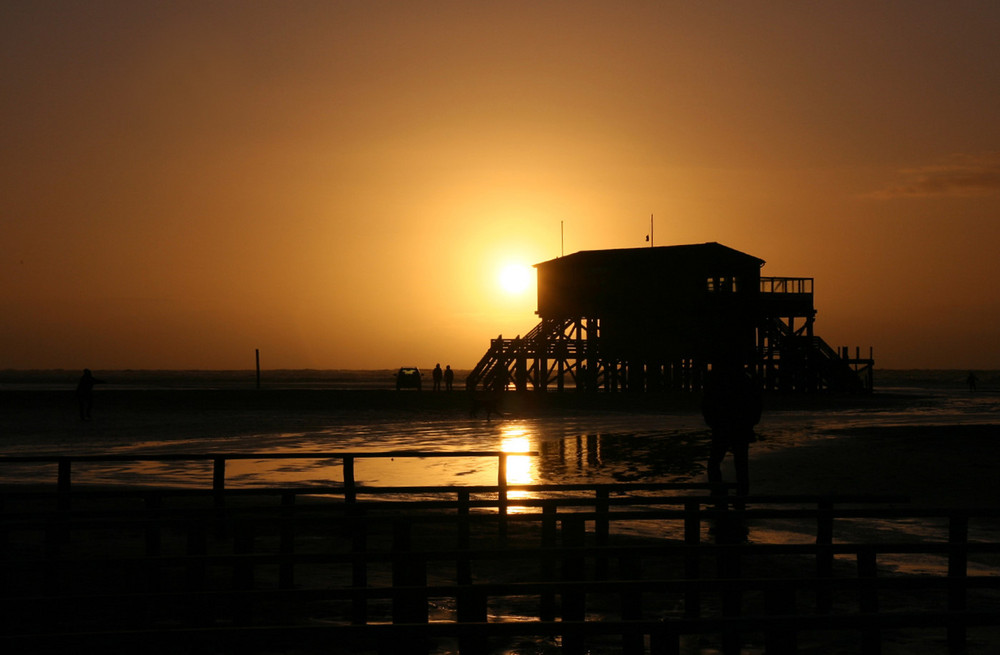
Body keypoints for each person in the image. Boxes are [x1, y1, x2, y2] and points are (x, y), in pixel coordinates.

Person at [702, 361, 762, 504]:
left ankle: (718, 493)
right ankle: (742, 497)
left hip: (722, 427)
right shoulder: (745, 381)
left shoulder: (718, 382)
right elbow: (756, 403)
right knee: (741, 464)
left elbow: (707, 403)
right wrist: (752, 422)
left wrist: (711, 422)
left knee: (714, 462)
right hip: (741, 428)